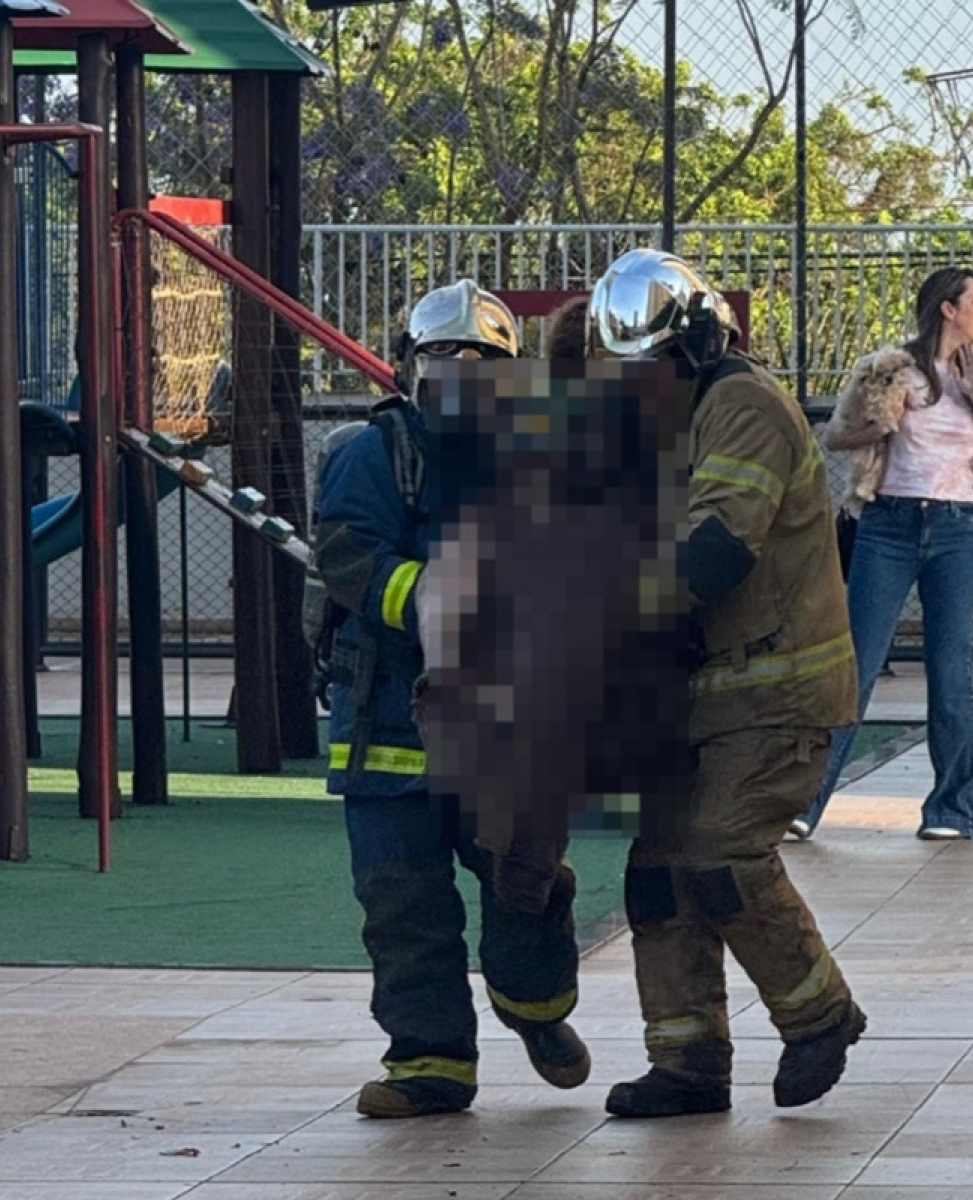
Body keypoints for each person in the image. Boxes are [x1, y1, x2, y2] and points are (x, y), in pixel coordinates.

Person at [589, 249, 867, 1119]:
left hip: (776, 692)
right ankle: (688, 1061)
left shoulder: (743, 406)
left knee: (720, 852)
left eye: (655, 366)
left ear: (699, 345)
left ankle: (820, 1014)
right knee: (658, 869)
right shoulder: (671, 421)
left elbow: (714, 550)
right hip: (702, 693)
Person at [311, 279, 588, 1120]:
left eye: (483, 367)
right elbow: (347, 552)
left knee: (523, 882)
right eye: (444, 363)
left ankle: (535, 1007)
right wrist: (433, 602)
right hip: (386, 725)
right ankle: (429, 1063)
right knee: (403, 903)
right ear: (408, 370)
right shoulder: (371, 455)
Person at [795, 266, 973, 842]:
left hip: (956, 528)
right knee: (857, 662)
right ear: (949, 308)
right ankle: (802, 802)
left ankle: (954, 810)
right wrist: (882, 424)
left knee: (950, 667)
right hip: (888, 523)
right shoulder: (889, 368)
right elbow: (836, 436)